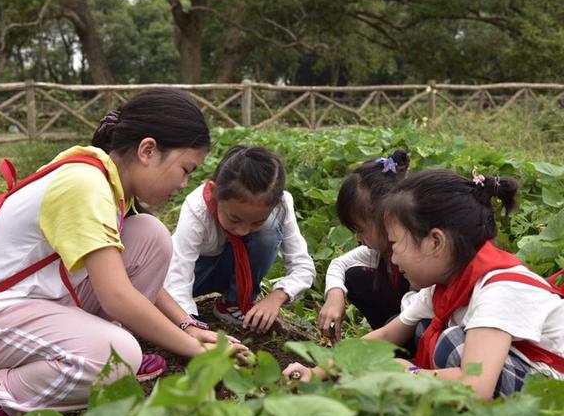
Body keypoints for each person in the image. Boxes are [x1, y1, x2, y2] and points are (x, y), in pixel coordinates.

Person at [0, 89, 246, 416]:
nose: (184, 183)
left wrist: (186, 326)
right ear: (148, 150)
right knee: (116, 356)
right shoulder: (86, 184)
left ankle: (96, 352)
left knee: (152, 237)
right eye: (186, 169)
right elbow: (118, 297)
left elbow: (123, 281)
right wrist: (195, 350)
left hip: (35, 303)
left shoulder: (107, 180)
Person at [284, 169, 564, 400]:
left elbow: (476, 386)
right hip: (524, 372)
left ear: (435, 242)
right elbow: (384, 336)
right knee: (422, 328)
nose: (391, 256)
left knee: (451, 343)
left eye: (394, 244)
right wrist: (317, 372)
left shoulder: (499, 289)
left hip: (553, 389)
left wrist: (407, 373)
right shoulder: (446, 284)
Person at [164, 146, 315, 333]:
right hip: (198, 274)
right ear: (214, 190)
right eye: (234, 219)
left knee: (268, 230)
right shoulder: (197, 208)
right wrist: (193, 326)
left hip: (229, 267)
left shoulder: (282, 204)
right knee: (164, 305)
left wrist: (276, 297)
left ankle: (232, 303)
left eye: (256, 222)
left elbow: (303, 267)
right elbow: (177, 279)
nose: (243, 231)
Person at [319, 151, 411, 340]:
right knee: (354, 276)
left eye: (361, 230)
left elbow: (416, 315)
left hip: (424, 328)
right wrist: (335, 294)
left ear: (386, 220)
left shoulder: (419, 259)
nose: (359, 238)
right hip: (403, 321)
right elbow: (339, 264)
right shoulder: (381, 251)